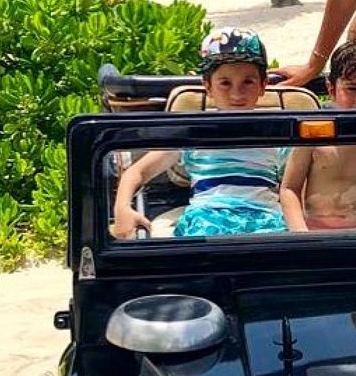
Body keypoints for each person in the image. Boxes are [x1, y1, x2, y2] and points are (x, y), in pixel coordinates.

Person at [111, 28, 288, 238]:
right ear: (208, 86)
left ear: (263, 85)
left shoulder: (277, 133)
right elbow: (137, 172)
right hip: (207, 216)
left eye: (248, 82)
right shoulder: (194, 132)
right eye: (225, 83)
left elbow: (297, 183)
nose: (236, 93)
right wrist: (122, 208)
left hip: (265, 217)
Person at [280, 36, 356, 232]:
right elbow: (289, 188)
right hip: (314, 230)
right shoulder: (314, 133)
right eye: (352, 88)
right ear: (331, 89)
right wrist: (301, 235)